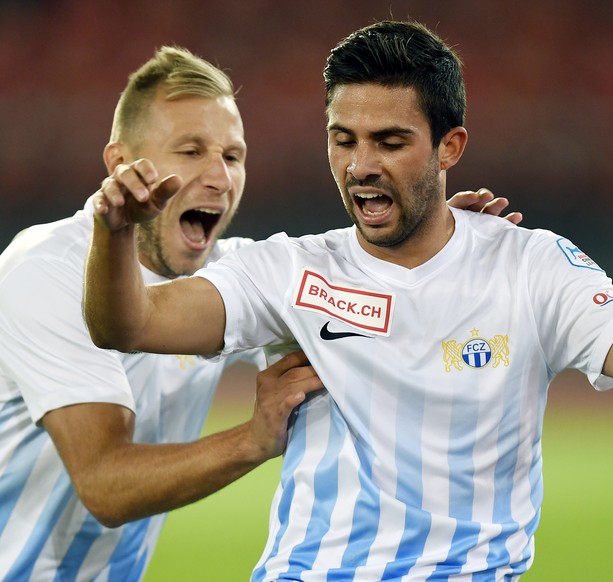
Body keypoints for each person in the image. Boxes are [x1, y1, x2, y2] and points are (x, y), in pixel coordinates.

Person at [82, 22, 613, 581]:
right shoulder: (290, 271)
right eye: (341, 139)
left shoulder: (529, 267)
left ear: (449, 147)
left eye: (389, 142)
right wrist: (114, 235)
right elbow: (131, 323)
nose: (358, 166)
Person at [0, 44, 517, 581]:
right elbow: (104, 484)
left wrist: (430, 243)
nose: (220, 177)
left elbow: (353, 285)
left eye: (232, 155)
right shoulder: (45, 273)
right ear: (120, 163)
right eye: (190, 151)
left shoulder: (224, 271)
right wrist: (252, 438)